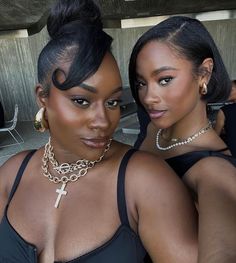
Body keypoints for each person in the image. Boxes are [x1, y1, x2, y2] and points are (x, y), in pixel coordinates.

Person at [0, 2, 198, 262]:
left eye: (112, 102)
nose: (104, 121)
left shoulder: (145, 182)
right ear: (43, 98)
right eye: (82, 101)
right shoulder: (12, 174)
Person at [129, 16, 236, 263]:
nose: (148, 97)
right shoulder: (154, 131)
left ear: (204, 73)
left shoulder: (214, 171)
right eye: (141, 82)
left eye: (164, 79)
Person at [214, 80, 236, 156]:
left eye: (231, 89)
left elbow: (215, 136)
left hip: (232, 156)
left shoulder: (224, 110)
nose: (227, 92)